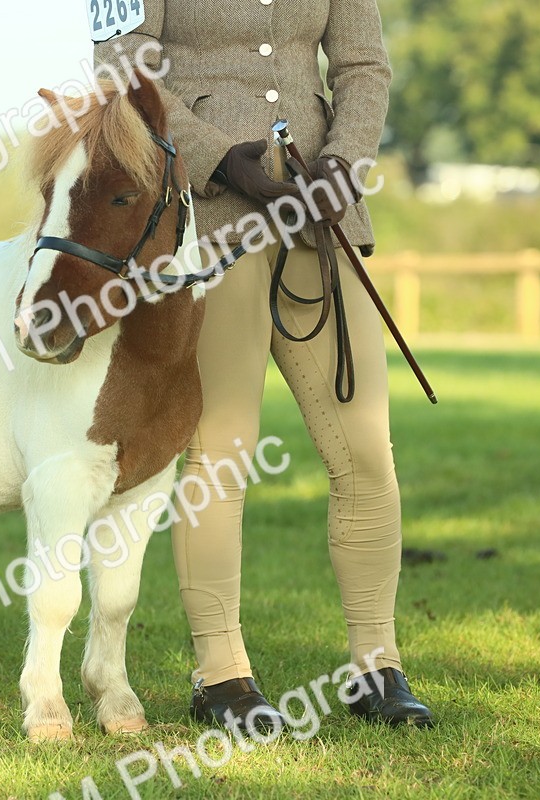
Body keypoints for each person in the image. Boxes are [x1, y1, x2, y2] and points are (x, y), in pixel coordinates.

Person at [95, 0, 435, 729]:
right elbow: (120, 67)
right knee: (220, 451)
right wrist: (218, 160)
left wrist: (344, 162)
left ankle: (377, 668)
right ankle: (221, 676)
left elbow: (363, 66)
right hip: (208, 217)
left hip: (320, 216)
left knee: (365, 449)